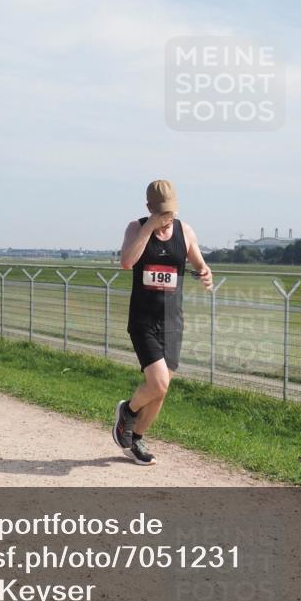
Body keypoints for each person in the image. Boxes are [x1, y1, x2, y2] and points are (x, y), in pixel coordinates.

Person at [112, 180, 212, 465]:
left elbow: (200, 264)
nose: (167, 219)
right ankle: (128, 413)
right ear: (149, 209)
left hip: (172, 323)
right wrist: (148, 228)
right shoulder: (136, 228)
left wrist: (205, 273)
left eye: (170, 212)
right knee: (157, 383)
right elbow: (127, 262)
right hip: (143, 320)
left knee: (161, 389)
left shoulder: (185, 231)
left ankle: (136, 440)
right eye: (161, 213)